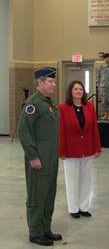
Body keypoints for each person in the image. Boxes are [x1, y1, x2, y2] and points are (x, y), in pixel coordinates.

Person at [17, 67, 62, 246]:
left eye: (53, 81)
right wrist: (33, 156)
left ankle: (45, 228)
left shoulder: (48, 102)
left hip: (50, 158)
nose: (53, 84)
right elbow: (23, 132)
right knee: (37, 194)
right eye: (50, 81)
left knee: (49, 194)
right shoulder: (33, 103)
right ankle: (35, 232)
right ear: (40, 83)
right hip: (39, 159)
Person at [59, 80, 101, 219]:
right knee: (72, 180)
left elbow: (94, 128)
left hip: (87, 149)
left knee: (86, 179)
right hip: (71, 150)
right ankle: (73, 208)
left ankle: (84, 206)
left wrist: (97, 148)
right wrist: (62, 151)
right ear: (70, 91)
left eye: (80, 89)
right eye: (75, 89)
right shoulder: (63, 108)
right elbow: (61, 131)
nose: (78, 91)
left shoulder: (89, 106)